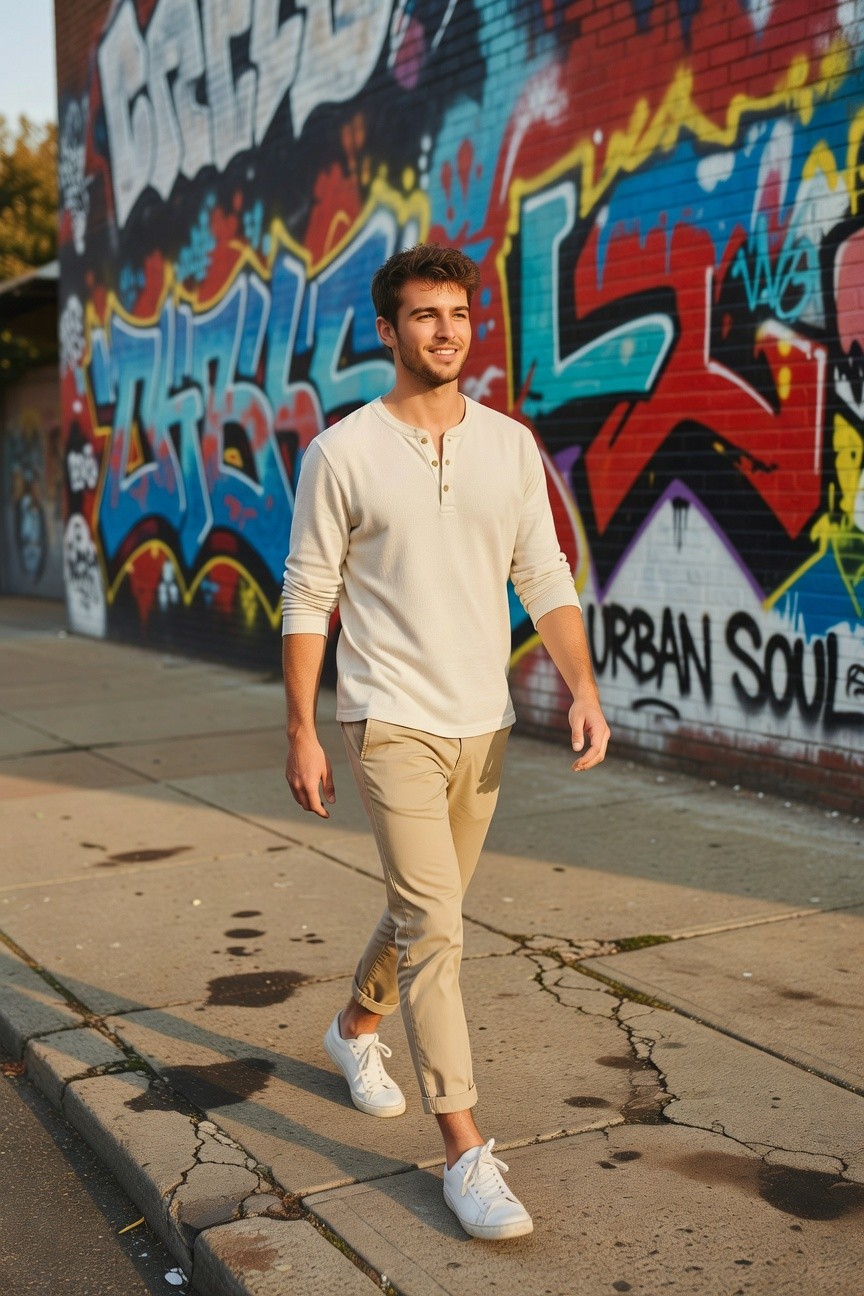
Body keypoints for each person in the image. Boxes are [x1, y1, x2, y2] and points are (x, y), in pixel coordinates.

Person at [281, 243, 610, 1240]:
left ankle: (351, 1030)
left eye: (460, 314)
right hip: (388, 721)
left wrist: (583, 686)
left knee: (427, 912)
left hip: (486, 720)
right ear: (388, 331)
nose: (447, 331)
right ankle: (464, 1151)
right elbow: (309, 594)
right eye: (425, 315)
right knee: (441, 932)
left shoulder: (510, 446)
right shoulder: (341, 452)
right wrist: (302, 726)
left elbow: (545, 574)